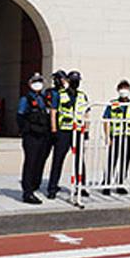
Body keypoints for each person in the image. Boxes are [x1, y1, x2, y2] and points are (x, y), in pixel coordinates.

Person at [46, 70, 89, 199]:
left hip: (78, 131)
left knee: (79, 161)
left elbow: (86, 113)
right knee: (58, 160)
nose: (75, 83)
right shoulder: (60, 94)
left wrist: (86, 130)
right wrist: (54, 129)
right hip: (63, 131)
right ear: (68, 81)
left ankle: (81, 187)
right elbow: (53, 112)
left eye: (77, 81)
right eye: (73, 80)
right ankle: (52, 188)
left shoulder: (82, 95)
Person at [16, 72, 52, 204]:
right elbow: (20, 116)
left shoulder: (44, 98)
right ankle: (27, 192)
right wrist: (24, 130)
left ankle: (35, 185)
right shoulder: (26, 99)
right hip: (31, 135)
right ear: (30, 84)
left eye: (40, 81)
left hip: (43, 134)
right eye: (35, 81)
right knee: (30, 162)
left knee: (40, 161)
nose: (38, 84)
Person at [102, 80, 130, 195]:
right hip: (115, 136)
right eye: (121, 88)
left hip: (128, 136)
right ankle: (107, 184)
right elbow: (106, 120)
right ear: (118, 90)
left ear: (129, 90)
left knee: (126, 160)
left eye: (125, 88)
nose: (123, 91)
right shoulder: (113, 104)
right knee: (112, 160)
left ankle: (120, 183)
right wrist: (107, 136)